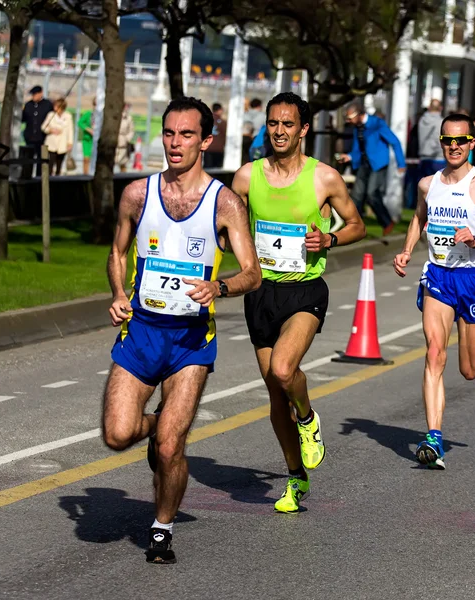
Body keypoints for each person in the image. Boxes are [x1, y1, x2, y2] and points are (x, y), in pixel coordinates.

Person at [104, 96, 260, 564]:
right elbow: (117, 252)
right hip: (142, 332)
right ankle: (155, 430)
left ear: (206, 141)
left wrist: (220, 286)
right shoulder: (137, 194)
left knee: (172, 444)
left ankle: (160, 528)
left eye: (187, 134)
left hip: (191, 340)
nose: (175, 143)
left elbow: (253, 272)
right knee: (117, 434)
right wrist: (117, 294)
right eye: (169, 133)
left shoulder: (224, 202)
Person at [232, 92, 366, 513]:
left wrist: (328, 238)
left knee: (283, 368)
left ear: (303, 129)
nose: (279, 131)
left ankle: (308, 419)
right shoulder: (245, 178)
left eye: (288, 124)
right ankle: (295, 476)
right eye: (273, 123)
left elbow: (357, 225)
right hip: (260, 293)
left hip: (305, 290)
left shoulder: (324, 178)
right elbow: (224, 226)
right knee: (275, 395)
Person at [393, 113, 475, 470]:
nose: (454, 146)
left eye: (461, 141)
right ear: (442, 142)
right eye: (448, 140)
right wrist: (407, 249)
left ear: (472, 143)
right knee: (434, 352)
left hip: (473, 279)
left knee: (467, 369)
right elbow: (420, 218)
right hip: (438, 277)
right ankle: (433, 437)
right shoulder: (428, 184)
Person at [336, 101, 405, 236]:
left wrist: (401, 163)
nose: (348, 121)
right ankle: (353, 227)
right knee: (356, 196)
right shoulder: (357, 127)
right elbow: (357, 149)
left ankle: (387, 222)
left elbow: (394, 141)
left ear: (360, 114)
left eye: (350, 118)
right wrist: (349, 157)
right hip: (364, 164)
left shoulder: (377, 124)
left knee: (372, 194)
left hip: (378, 164)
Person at [22, 85, 53, 176]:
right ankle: (27, 175)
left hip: (42, 137)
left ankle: (39, 178)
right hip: (30, 136)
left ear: (41, 93)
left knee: (41, 159)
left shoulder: (47, 104)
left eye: (35, 94)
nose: (33, 96)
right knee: (29, 159)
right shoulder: (28, 105)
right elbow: (23, 119)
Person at [41, 98, 74, 175]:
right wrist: (51, 130)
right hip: (51, 144)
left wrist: (70, 143)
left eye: (56, 106)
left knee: (59, 165)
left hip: (62, 144)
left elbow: (70, 130)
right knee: (50, 164)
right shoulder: (51, 115)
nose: (55, 108)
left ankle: (57, 179)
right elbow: (43, 127)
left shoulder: (68, 116)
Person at [418, 99, 445, 178]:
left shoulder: (422, 120)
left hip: (423, 158)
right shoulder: (441, 122)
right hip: (438, 158)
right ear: (441, 108)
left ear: (429, 107)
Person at [203, 102, 226, 168]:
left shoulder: (206, 121)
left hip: (208, 147)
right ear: (220, 110)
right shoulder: (222, 122)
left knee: (208, 169)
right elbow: (224, 135)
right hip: (219, 149)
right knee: (218, 170)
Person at [78, 98, 95, 175]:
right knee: (86, 158)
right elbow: (80, 123)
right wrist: (88, 129)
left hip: (96, 141)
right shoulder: (89, 114)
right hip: (87, 140)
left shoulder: (102, 115)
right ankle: (85, 173)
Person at [115, 103, 135, 173]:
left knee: (123, 163)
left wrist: (127, 139)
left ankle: (123, 178)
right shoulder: (113, 117)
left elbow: (131, 130)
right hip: (114, 142)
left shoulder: (128, 118)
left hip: (123, 144)